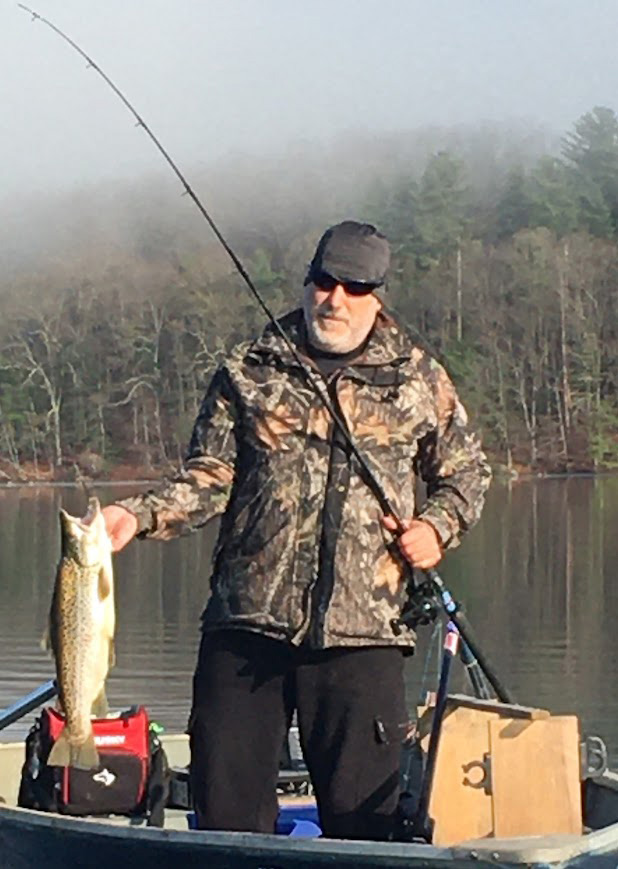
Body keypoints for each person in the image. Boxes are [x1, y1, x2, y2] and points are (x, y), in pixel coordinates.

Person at [103, 220, 491, 840]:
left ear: (377, 296)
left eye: (353, 287)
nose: (333, 299)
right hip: (245, 626)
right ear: (307, 281)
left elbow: (467, 475)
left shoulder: (419, 379)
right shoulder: (248, 370)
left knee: (366, 829)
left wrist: (437, 528)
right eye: (323, 281)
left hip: (364, 636)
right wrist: (137, 516)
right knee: (226, 824)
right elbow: (208, 479)